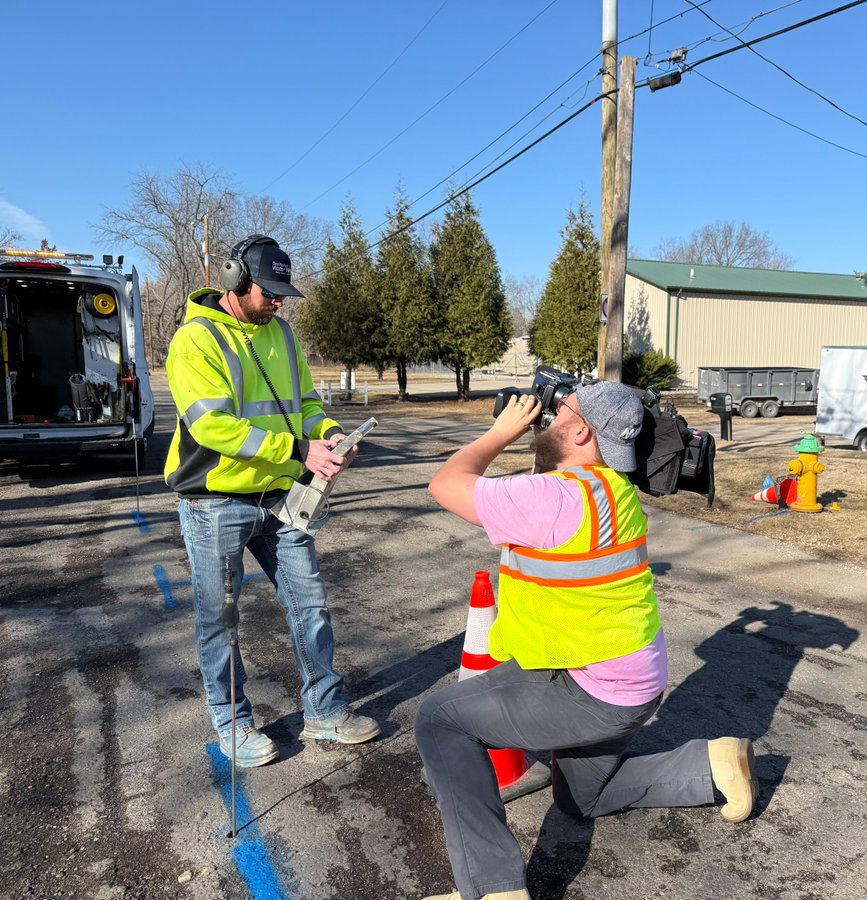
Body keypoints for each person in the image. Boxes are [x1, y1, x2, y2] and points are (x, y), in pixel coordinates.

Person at [418, 380, 758, 900]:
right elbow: (548, 490)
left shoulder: (550, 499)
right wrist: (539, 442)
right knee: (578, 800)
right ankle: (711, 765)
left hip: (590, 689)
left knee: (441, 721)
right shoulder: (613, 489)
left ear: (579, 430)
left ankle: (492, 889)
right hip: (632, 683)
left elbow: (446, 483)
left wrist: (500, 432)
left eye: (561, 410)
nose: (550, 414)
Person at [164, 234, 379, 768]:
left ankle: (324, 711)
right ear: (236, 280)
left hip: (281, 496)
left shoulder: (280, 333)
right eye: (270, 291)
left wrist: (327, 435)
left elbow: (305, 402)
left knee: (310, 604)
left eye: (285, 292)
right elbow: (212, 426)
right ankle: (232, 723)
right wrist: (297, 449)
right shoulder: (196, 341)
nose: (279, 301)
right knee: (222, 618)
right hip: (215, 501)